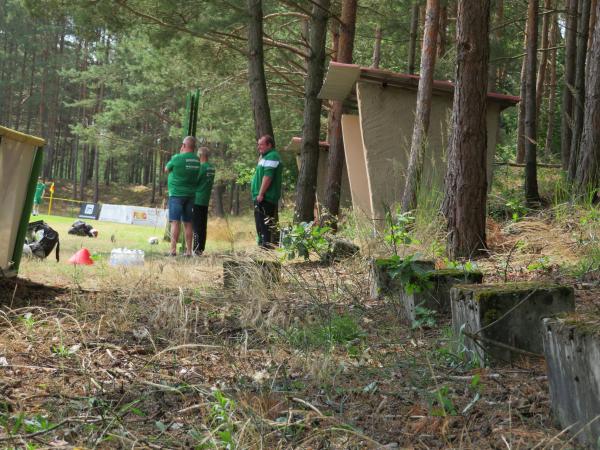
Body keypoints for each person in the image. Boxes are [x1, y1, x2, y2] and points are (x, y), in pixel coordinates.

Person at [165, 136, 201, 256]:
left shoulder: (177, 158)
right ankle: (189, 251)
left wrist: (179, 155)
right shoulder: (197, 160)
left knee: (175, 222)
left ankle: (173, 250)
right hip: (190, 195)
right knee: (188, 223)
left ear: (184, 146)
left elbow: (166, 169)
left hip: (176, 194)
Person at [251, 134, 283, 248]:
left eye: (261, 145)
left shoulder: (272, 156)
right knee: (260, 224)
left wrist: (261, 193)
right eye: (258, 145)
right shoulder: (265, 156)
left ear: (269, 145)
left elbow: (268, 176)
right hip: (261, 197)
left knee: (264, 225)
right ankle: (262, 246)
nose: (259, 147)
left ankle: (265, 248)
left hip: (265, 197)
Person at [192, 147, 215, 255]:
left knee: (196, 225)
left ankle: (196, 248)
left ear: (201, 156)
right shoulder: (211, 168)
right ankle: (201, 248)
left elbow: (195, 181)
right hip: (205, 199)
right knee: (202, 225)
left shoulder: (202, 168)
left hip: (197, 199)